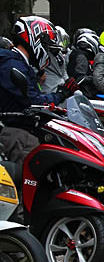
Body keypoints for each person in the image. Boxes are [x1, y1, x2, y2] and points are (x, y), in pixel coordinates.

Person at [0, 17, 77, 160]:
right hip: (10, 129)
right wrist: (61, 94)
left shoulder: (19, 64)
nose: (47, 51)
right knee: (37, 156)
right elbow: (33, 101)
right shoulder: (13, 66)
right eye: (45, 45)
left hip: (19, 124)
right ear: (34, 39)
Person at [67, 28, 99, 93]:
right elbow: (80, 78)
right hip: (82, 93)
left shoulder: (78, 54)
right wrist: (95, 78)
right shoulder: (81, 57)